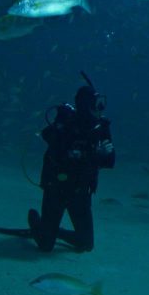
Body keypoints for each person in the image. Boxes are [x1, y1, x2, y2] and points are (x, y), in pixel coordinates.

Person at [27, 73, 115, 252]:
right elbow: (58, 153)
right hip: (57, 187)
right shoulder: (65, 123)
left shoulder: (101, 127)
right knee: (45, 246)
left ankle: (52, 230)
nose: (99, 109)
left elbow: (110, 161)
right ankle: (38, 224)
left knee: (86, 244)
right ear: (85, 104)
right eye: (95, 104)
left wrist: (102, 154)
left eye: (100, 103)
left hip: (81, 190)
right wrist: (90, 154)